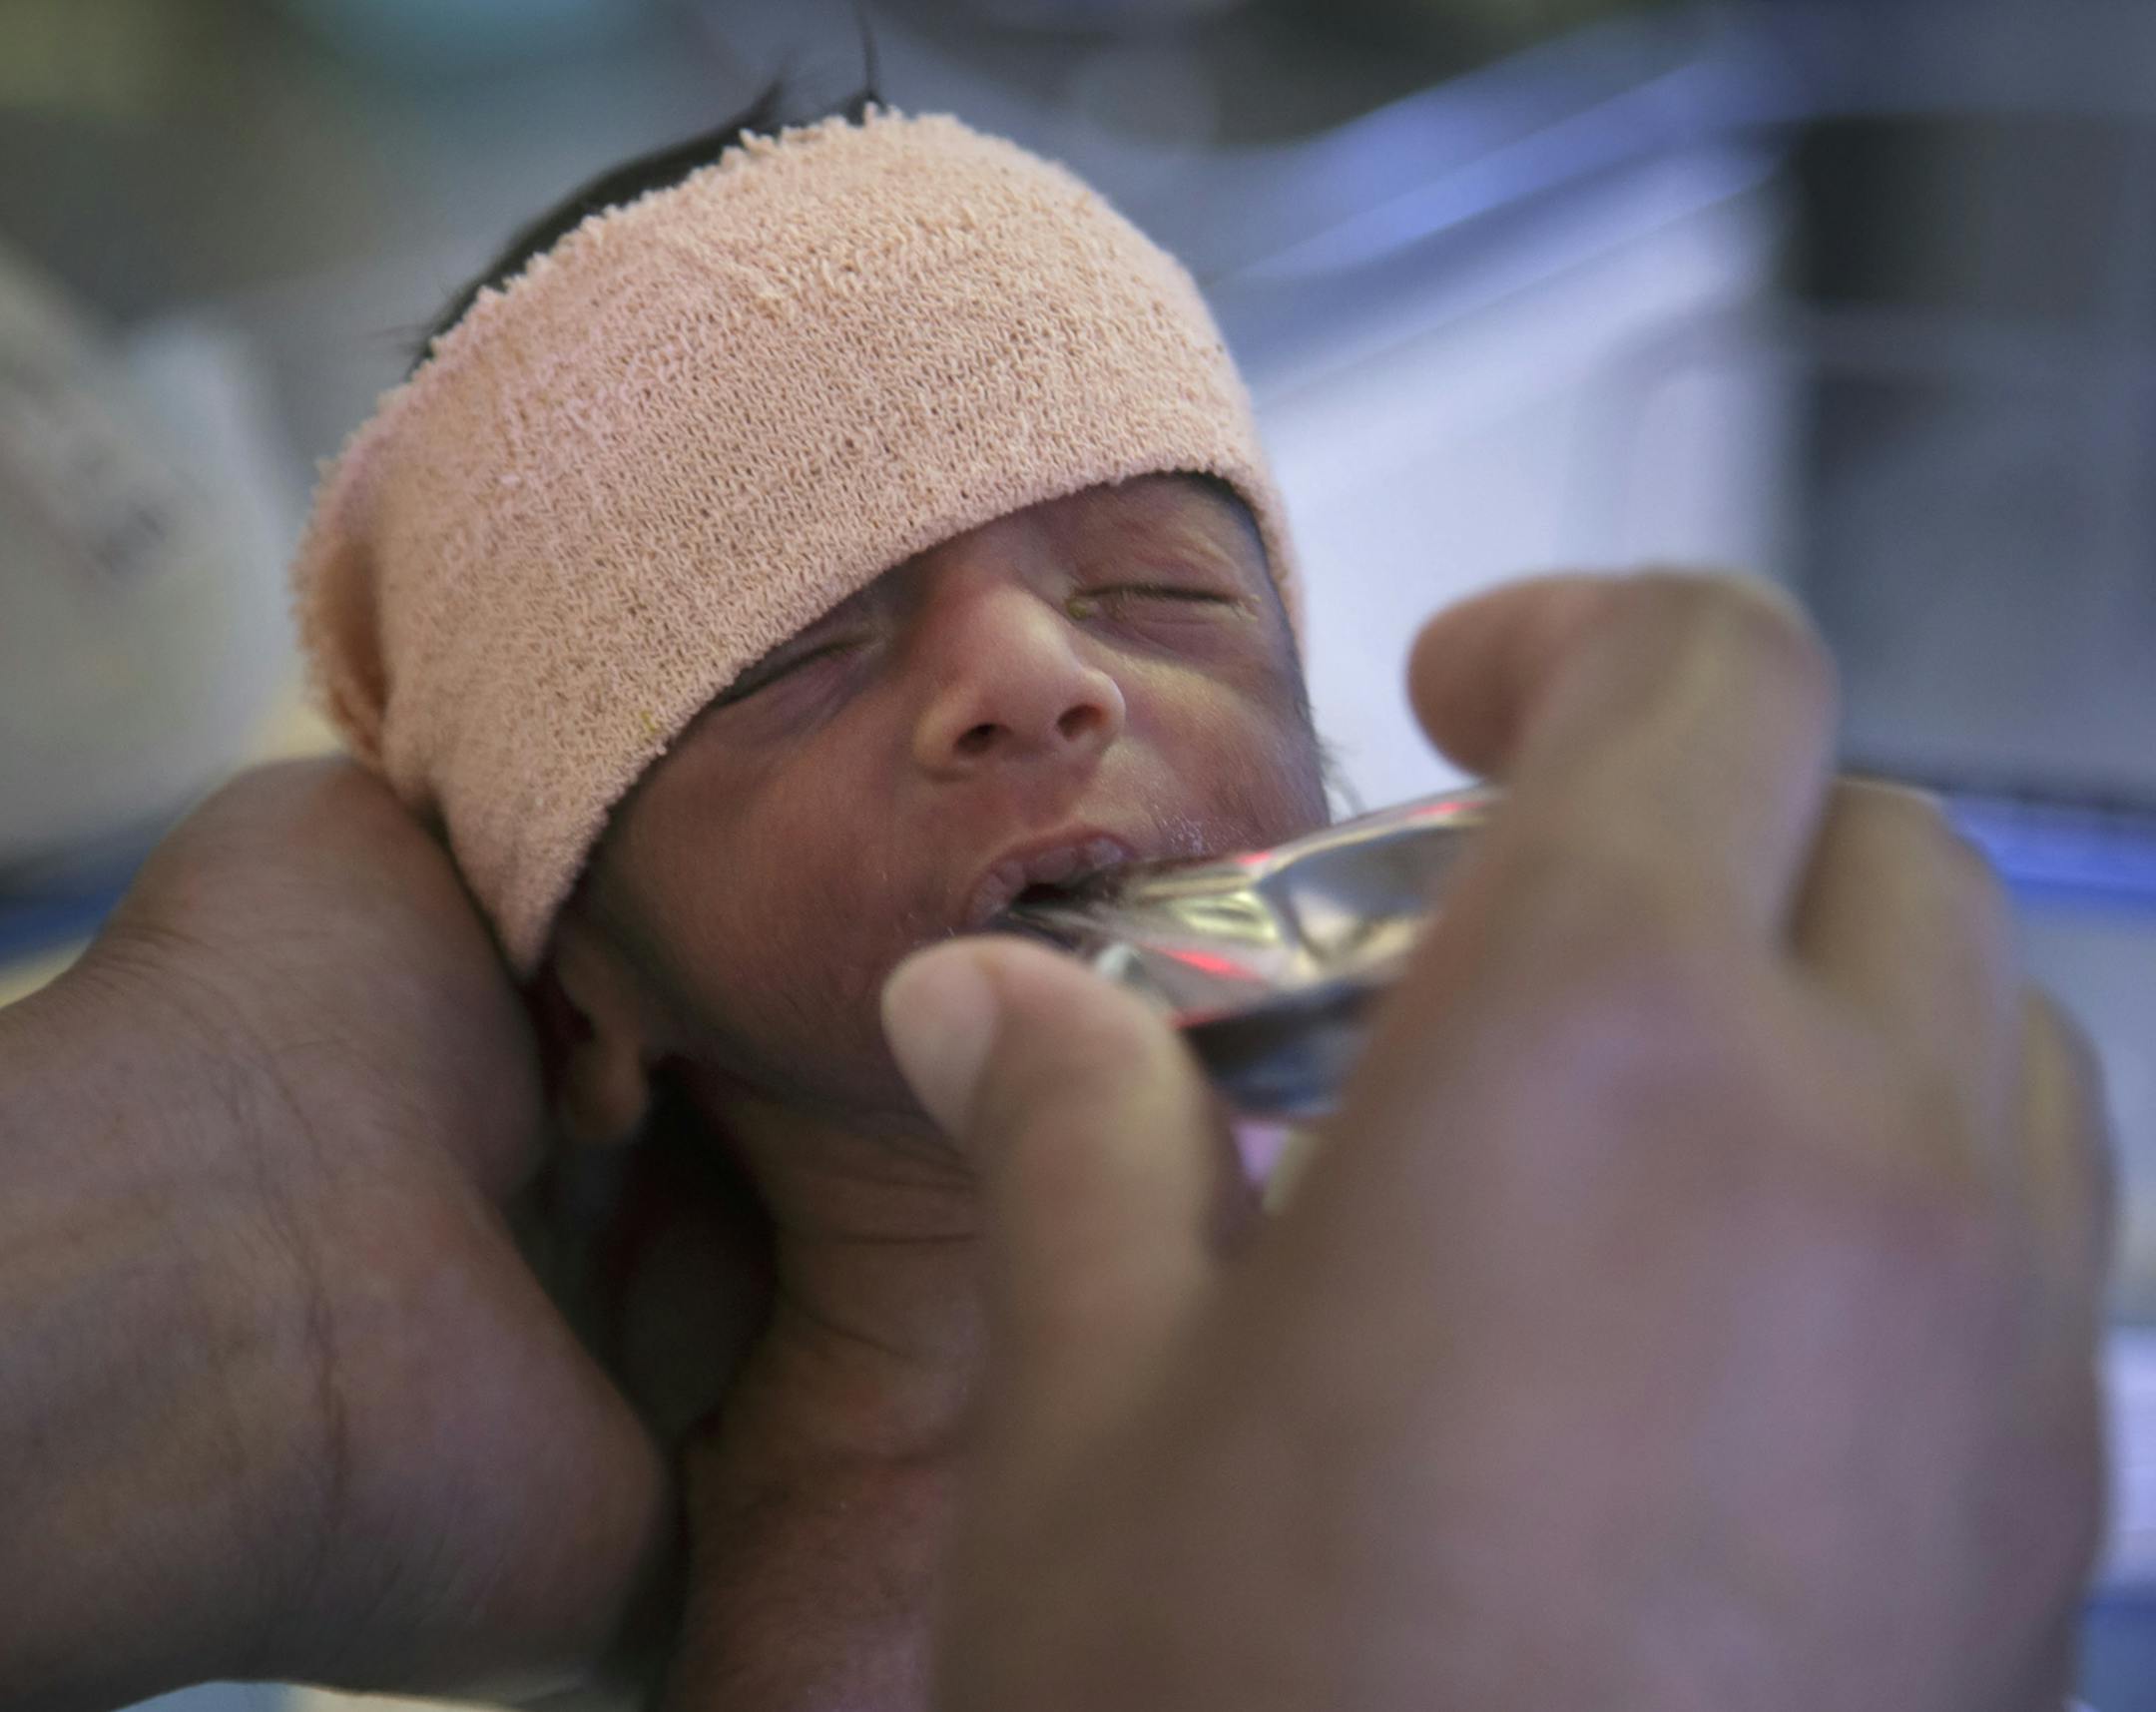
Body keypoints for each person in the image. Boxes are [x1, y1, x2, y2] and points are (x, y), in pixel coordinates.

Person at [0, 95, 2111, 1712]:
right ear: (595, 1006)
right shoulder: (856, 1587)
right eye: (788, 655)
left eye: (1162, 593)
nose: (1036, 673)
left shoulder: (1523, 1074)